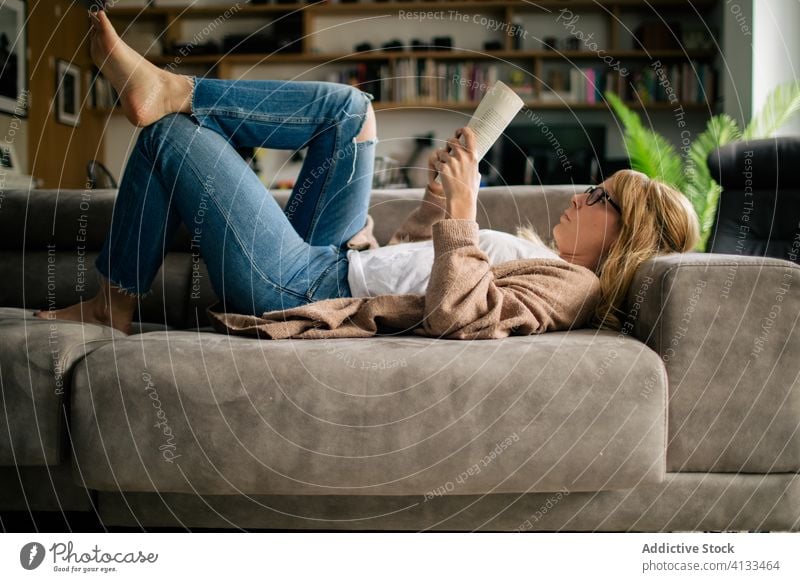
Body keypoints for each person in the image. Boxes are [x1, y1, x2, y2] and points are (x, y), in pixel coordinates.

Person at [36, 9, 699, 339]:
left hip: (302, 281)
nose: (584, 192)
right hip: (342, 254)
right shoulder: (543, 259)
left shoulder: (574, 287)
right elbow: (412, 270)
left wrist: (465, 216)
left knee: (170, 139)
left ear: (622, 233)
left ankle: (113, 301)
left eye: (600, 195)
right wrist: (434, 211)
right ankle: (178, 88)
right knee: (351, 109)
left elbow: (462, 319)